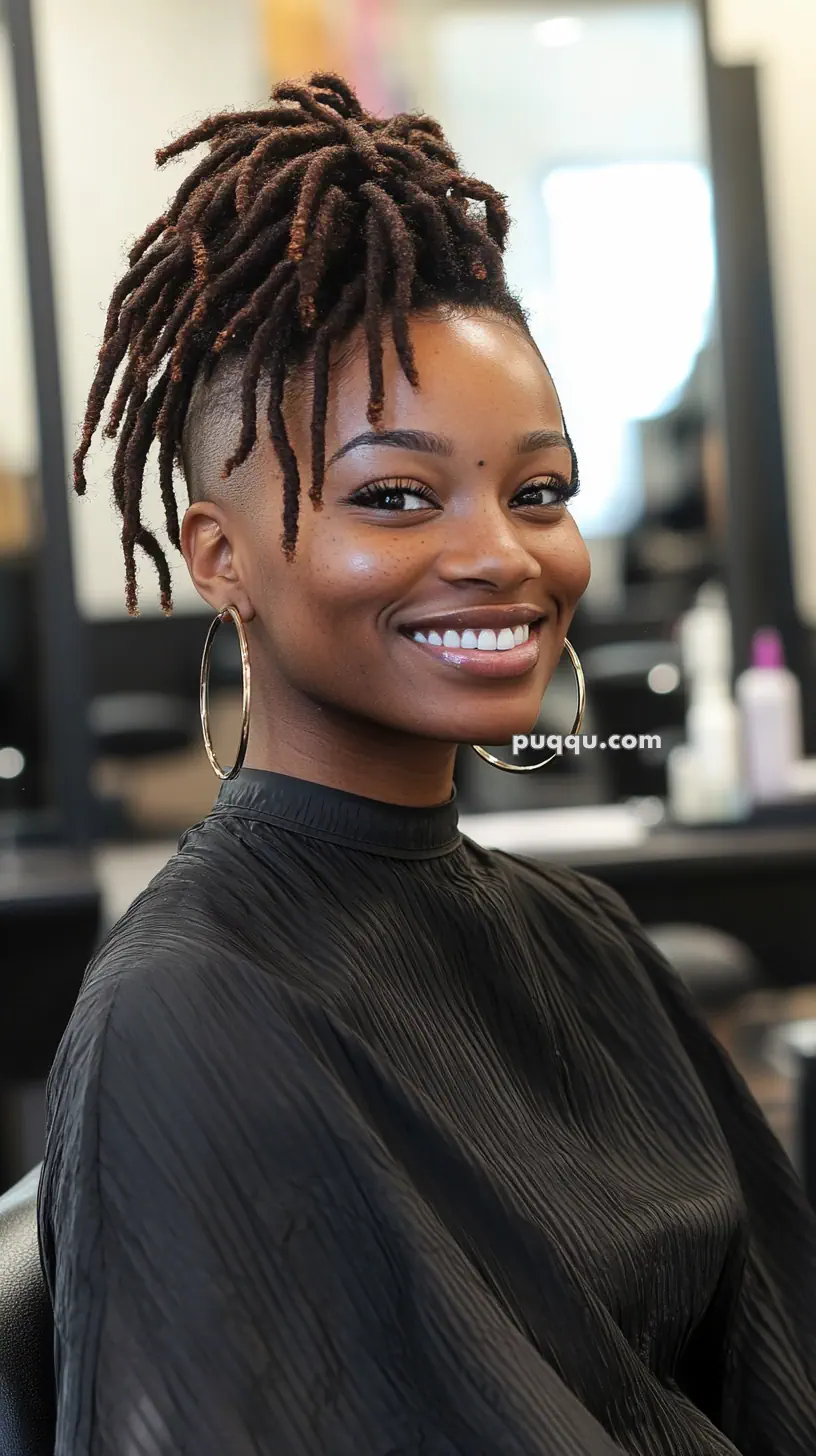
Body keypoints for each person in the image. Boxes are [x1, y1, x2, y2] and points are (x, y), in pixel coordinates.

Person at [39, 73, 816, 1456]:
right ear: (222, 558)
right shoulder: (192, 1013)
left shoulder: (581, 936)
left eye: (540, 493)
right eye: (395, 496)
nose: (502, 554)